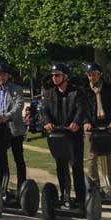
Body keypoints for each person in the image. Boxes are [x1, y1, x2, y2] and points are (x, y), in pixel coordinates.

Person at [42, 63, 88, 206]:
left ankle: (81, 199)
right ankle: (65, 196)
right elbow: (44, 111)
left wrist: (76, 122)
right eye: (53, 75)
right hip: (57, 135)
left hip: (73, 135)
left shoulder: (77, 92)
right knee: (61, 166)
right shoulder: (49, 93)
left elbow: (81, 109)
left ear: (65, 76)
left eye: (57, 75)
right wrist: (47, 122)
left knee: (76, 166)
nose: (54, 78)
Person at [81, 63, 111, 191]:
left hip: (107, 125)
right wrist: (85, 121)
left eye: (94, 74)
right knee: (92, 155)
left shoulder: (110, 89)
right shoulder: (84, 90)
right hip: (91, 127)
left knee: (109, 154)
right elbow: (80, 108)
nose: (91, 77)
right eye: (89, 74)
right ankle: (94, 185)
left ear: (100, 75)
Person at [0, 63, 27, 188]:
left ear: (8, 75)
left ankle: (22, 186)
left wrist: (8, 116)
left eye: (4, 75)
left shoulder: (17, 89)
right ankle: (2, 184)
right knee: (1, 158)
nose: (2, 77)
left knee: (18, 158)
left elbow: (19, 105)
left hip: (14, 128)